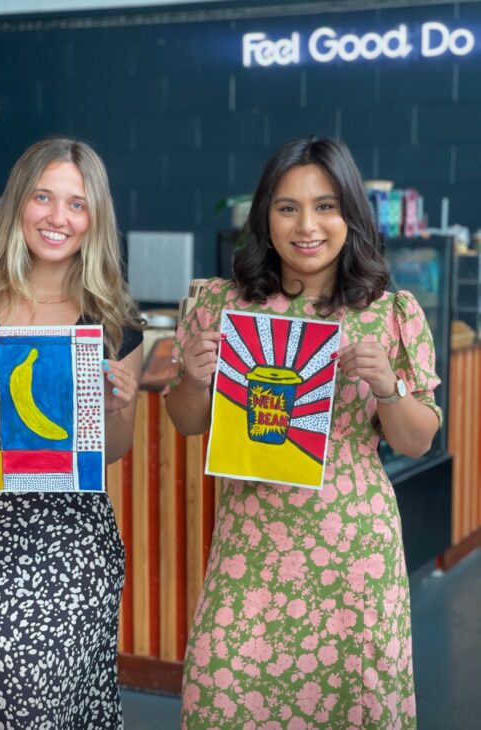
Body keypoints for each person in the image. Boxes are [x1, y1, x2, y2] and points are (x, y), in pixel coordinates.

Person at [165, 136, 441, 729]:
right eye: (288, 207)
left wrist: (389, 388)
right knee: (226, 699)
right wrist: (191, 378)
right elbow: (188, 423)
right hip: (251, 546)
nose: (306, 225)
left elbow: (417, 440)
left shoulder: (391, 313)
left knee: (352, 707)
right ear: (265, 216)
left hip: (354, 552)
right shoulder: (222, 306)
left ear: (351, 217)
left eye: (326, 206)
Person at [0, 136, 143, 729]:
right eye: (44, 197)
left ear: (95, 217)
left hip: (75, 538)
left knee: (76, 709)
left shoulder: (113, 314)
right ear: (20, 200)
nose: (57, 217)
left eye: (76, 203)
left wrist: (118, 404)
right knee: (12, 712)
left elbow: (117, 449)